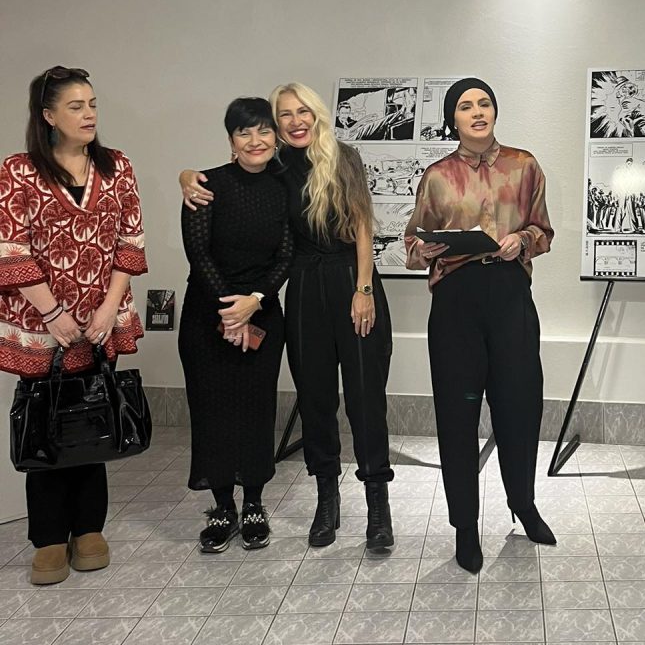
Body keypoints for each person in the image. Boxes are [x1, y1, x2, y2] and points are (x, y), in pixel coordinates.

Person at [181, 82, 394, 551]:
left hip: (352, 282)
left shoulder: (344, 157)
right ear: (276, 125)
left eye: (303, 112)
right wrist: (187, 176)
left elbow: (362, 225)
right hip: (303, 288)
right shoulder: (276, 166)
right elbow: (235, 177)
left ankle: (378, 507)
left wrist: (363, 289)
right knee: (315, 399)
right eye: (285, 115)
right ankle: (327, 501)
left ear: (317, 114)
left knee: (365, 399)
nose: (296, 121)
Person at [0, 66, 147, 585]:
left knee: (91, 417)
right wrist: (53, 313)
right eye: (75, 106)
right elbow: (11, 249)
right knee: (46, 422)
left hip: (102, 319)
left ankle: (88, 530)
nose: (89, 114)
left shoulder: (116, 165)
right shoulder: (19, 171)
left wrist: (108, 308)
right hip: (41, 324)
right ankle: (47, 538)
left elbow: (130, 241)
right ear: (48, 115)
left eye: (92, 104)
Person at [405, 78, 555, 574]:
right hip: (456, 300)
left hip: (510, 294)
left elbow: (543, 230)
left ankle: (523, 503)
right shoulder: (437, 175)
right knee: (457, 413)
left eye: (484, 103)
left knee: (520, 405)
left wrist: (523, 240)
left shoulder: (524, 165)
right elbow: (411, 245)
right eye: (466, 106)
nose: (477, 112)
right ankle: (464, 527)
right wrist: (424, 249)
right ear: (453, 118)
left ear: (495, 111)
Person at [179, 98, 293, 553]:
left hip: (262, 312)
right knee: (213, 412)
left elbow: (286, 255)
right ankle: (223, 506)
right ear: (231, 140)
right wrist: (229, 311)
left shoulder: (284, 188)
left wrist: (254, 302)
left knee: (256, 411)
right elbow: (198, 252)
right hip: (207, 315)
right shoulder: (206, 185)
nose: (255, 140)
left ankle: (254, 503)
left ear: (275, 137)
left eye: (264, 130)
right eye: (244, 132)